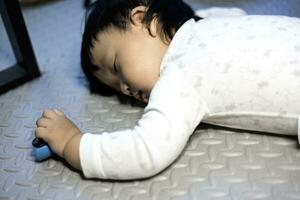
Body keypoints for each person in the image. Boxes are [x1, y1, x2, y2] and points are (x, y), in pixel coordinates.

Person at [35, 0, 300, 180]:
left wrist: (73, 143)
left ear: (143, 19)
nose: (125, 89)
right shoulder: (207, 21)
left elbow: (146, 150)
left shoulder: (178, 76)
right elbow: (234, 13)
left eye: (116, 66)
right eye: (117, 90)